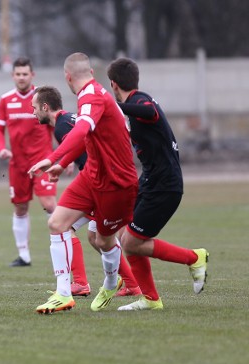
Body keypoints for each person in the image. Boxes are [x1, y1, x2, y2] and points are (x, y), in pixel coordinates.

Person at [28, 52, 139, 314]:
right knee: (57, 223)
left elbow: (81, 130)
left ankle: (115, 283)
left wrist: (53, 158)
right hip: (92, 175)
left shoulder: (91, 96)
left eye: (34, 107)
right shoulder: (88, 96)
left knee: (103, 240)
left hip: (114, 180)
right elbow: (85, 137)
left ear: (67, 77)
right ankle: (64, 293)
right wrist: (60, 163)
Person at [106, 58, 209, 311]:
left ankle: (194, 258)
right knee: (123, 233)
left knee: (131, 241)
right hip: (150, 181)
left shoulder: (139, 100)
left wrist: (116, 107)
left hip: (165, 186)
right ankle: (151, 299)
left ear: (113, 84)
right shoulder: (132, 105)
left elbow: (150, 111)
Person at [0, 57, 57, 267]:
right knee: (20, 208)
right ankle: (24, 255)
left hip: (43, 161)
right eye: (18, 74)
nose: (21, 77)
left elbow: (57, 125)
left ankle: (66, 242)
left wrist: (64, 157)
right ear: (13, 76)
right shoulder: (5, 100)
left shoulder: (43, 97)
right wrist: (2, 148)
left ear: (32, 75)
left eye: (25, 74)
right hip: (18, 164)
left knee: (49, 204)